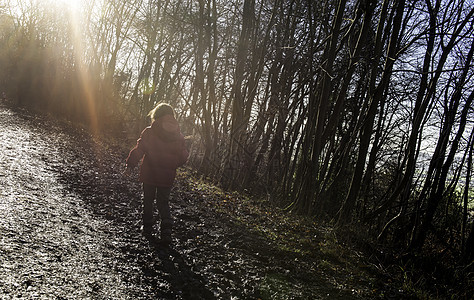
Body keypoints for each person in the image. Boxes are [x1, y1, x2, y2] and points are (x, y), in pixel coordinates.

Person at [125, 103, 188, 244]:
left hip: (149, 174)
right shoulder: (179, 136)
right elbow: (183, 156)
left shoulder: (149, 131)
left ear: (156, 115)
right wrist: (172, 165)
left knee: (148, 200)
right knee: (163, 202)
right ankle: (166, 228)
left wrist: (130, 165)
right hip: (167, 176)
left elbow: (139, 149)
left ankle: (147, 227)